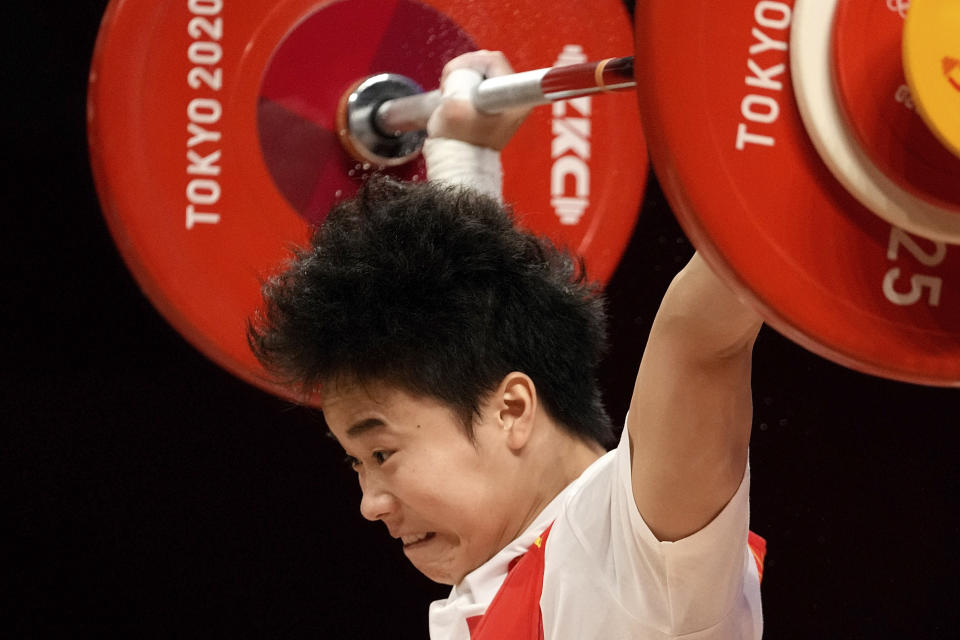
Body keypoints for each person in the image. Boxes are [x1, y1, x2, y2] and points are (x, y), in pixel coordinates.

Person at [248, 51, 765, 639]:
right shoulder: (491, 582)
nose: (370, 504)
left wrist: (794, 125)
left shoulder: (636, 550)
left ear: (513, 410)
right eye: (359, 463)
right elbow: (474, 334)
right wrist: (462, 156)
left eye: (382, 454)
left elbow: (699, 338)